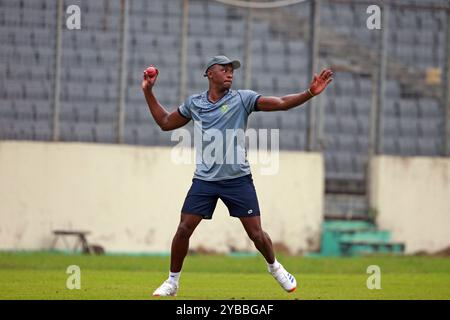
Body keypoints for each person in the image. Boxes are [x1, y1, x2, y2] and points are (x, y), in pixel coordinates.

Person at [142, 55, 333, 297]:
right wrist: (148, 91)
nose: (230, 73)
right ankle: (172, 282)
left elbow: (282, 102)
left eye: (232, 70)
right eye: (224, 69)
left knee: (256, 235)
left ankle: (275, 268)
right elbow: (166, 122)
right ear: (210, 74)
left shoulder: (243, 99)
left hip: (237, 179)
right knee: (183, 229)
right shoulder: (195, 103)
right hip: (205, 180)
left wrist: (309, 92)